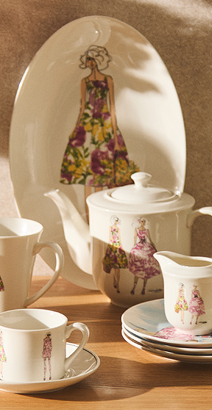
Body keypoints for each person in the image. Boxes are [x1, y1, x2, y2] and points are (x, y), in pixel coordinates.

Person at [59, 45, 139, 197]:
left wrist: (115, 136)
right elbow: (82, 107)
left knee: (103, 173)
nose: (90, 63)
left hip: (105, 124)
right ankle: (89, 217)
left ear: (98, 59)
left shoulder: (108, 79)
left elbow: (112, 106)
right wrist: (76, 130)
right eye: (88, 60)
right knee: (88, 173)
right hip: (87, 125)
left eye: (92, 60)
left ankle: (100, 210)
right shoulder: (84, 81)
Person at [128, 218, 161, 295]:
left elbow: (150, 239)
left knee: (146, 269)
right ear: (140, 222)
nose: (144, 223)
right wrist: (134, 247)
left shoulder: (147, 230)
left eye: (144, 222)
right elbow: (135, 238)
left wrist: (154, 248)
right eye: (143, 222)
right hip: (139, 247)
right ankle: (134, 287)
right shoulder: (137, 230)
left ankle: (143, 288)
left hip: (146, 247)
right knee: (137, 269)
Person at [102, 216, 129, 292]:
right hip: (112, 246)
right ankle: (114, 280)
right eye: (115, 221)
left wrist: (121, 247)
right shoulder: (110, 228)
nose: (116, 222)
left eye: (117, 221)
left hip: (117, 245)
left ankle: (117, 283)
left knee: (118, 268)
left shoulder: (118, 229)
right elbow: (109, 237)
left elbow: (119, 238)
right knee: (114, 267)